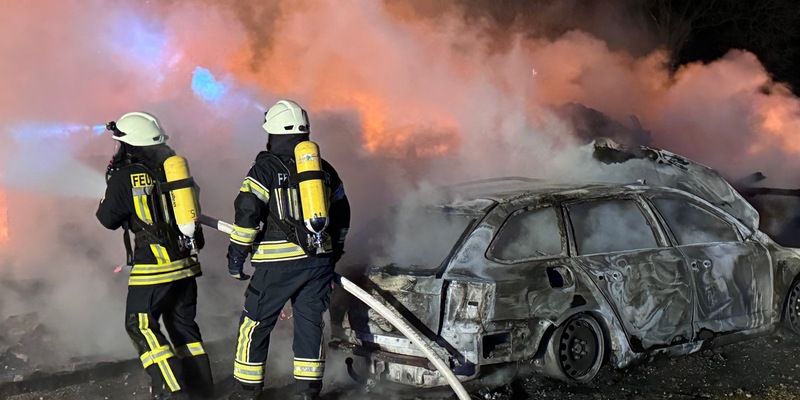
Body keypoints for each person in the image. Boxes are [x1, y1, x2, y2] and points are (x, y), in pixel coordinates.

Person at [226, 100, 350, 400]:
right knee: (310, 324)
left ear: (272, 132)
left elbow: (247, 214)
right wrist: (334, 252)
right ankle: (308, 393)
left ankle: (246, 392)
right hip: (319, 262)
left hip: (277, 266)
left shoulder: (265, 168)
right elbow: (343, 211)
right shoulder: (324, 168)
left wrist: (236, 256)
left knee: (254, 325)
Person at [96, 111, 214, 399]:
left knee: (140, 324)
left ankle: (175, 390)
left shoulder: (125, 176)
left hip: (155, 267)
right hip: (187, 264)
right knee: (183, 326)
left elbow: (107, 219)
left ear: (130, 144)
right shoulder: (173, 168)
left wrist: (110, 187)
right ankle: (202, 390)